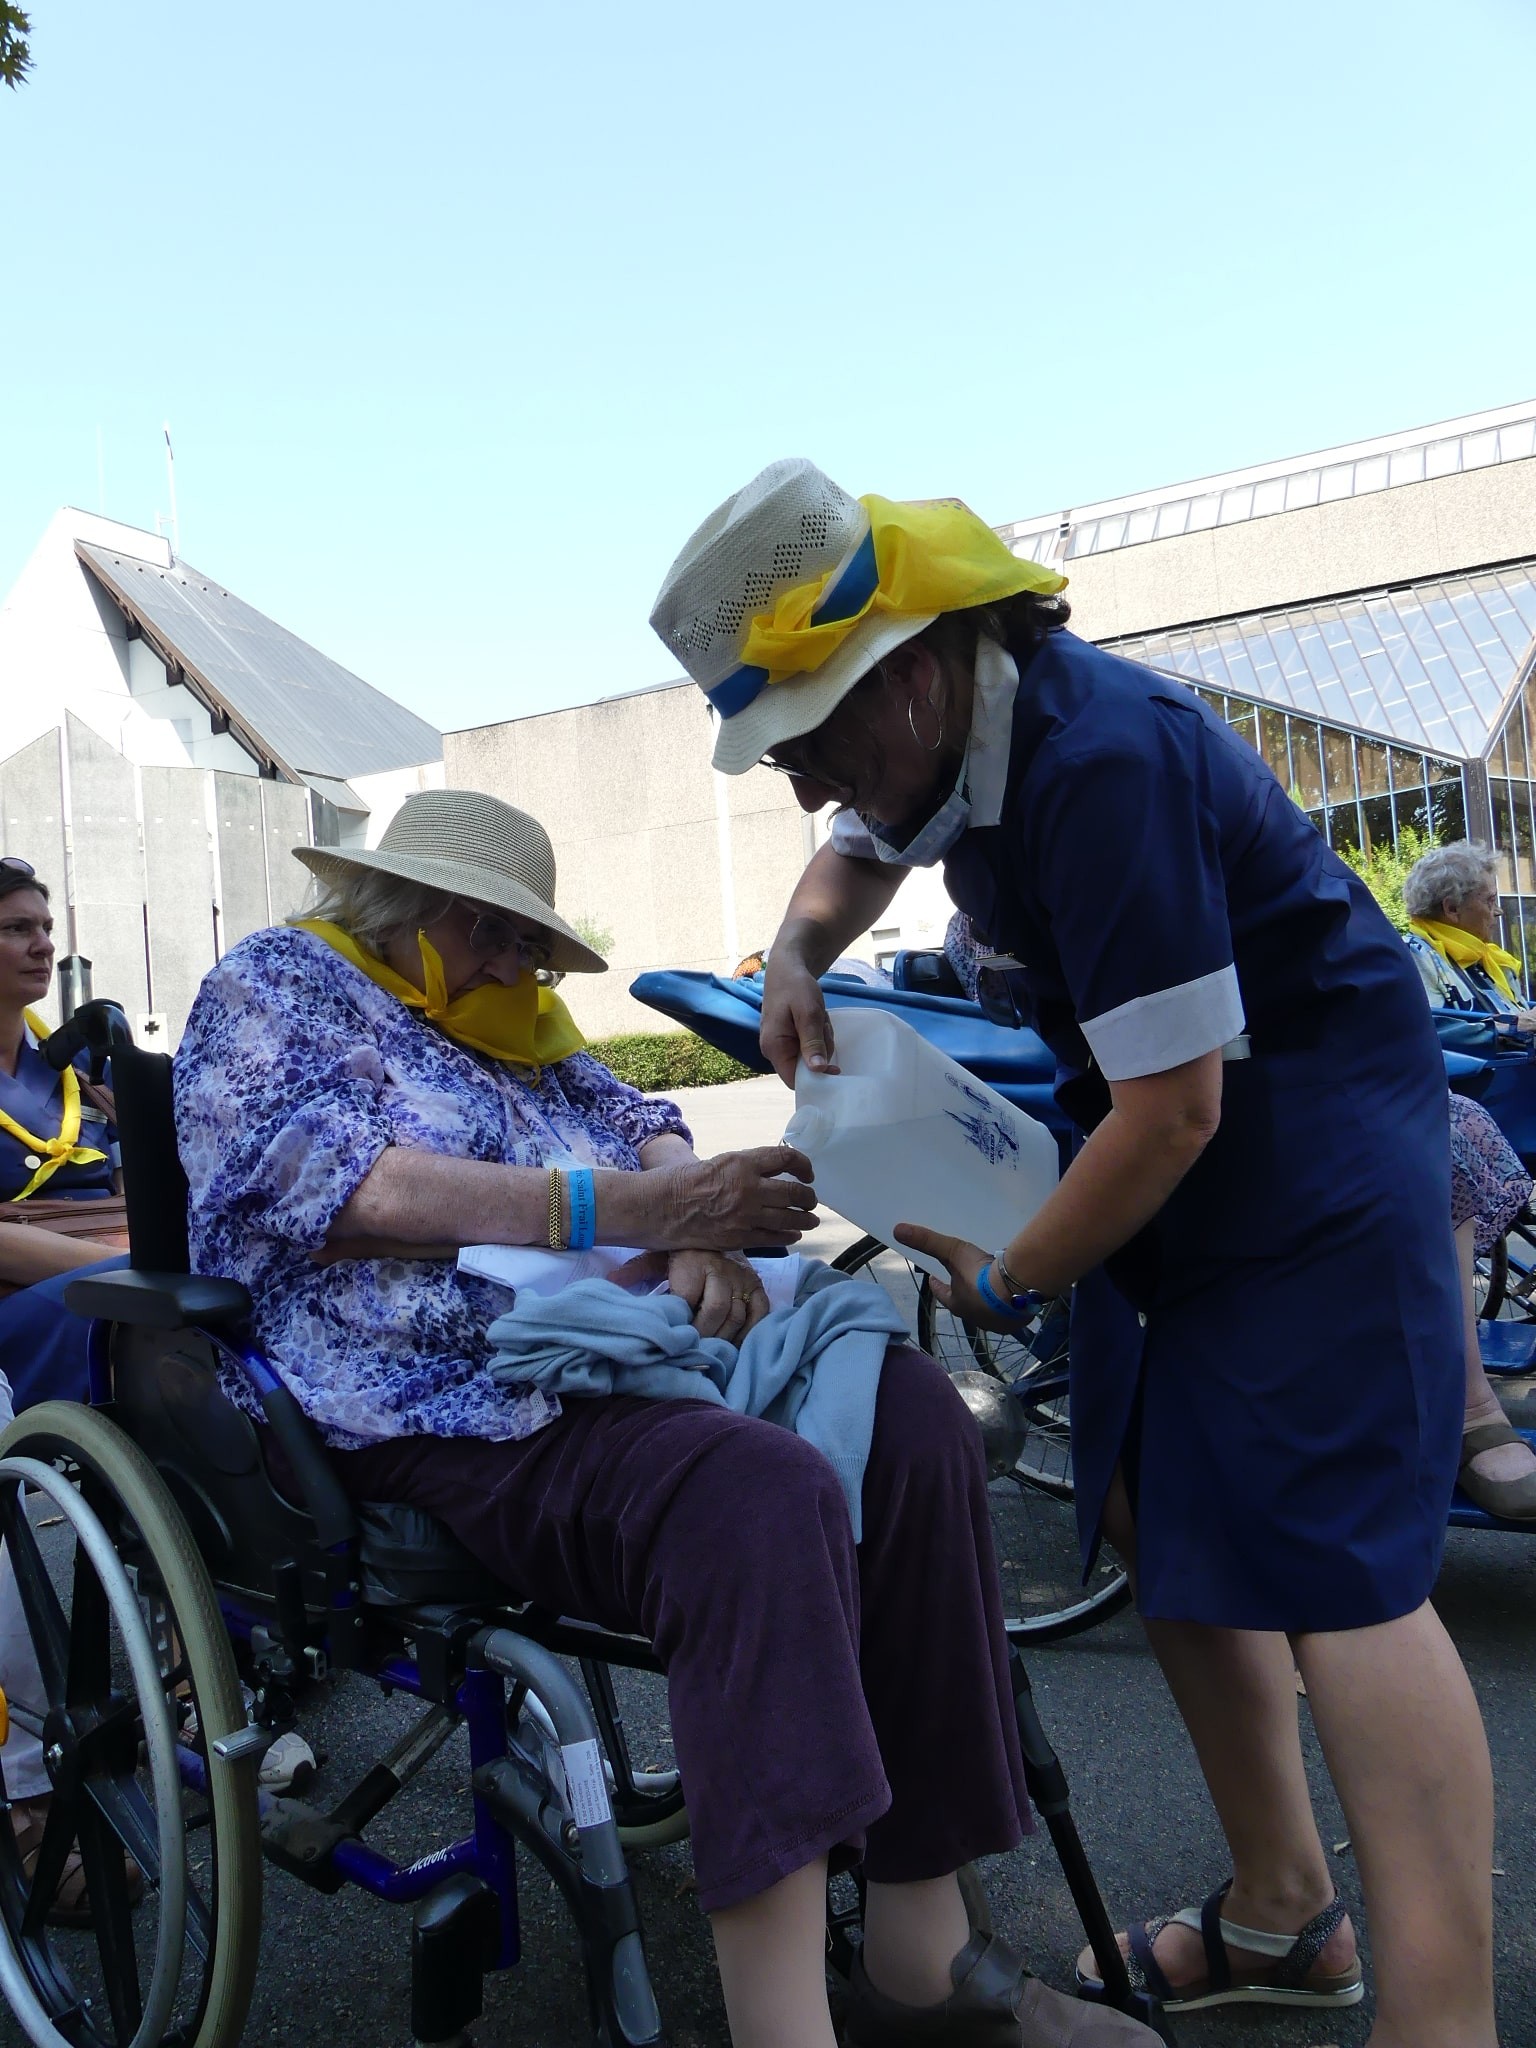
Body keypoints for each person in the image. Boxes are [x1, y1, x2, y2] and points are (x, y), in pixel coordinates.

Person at [649, 459, 1498, 2046]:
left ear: (906, 668)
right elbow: (857, 842)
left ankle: (1439, 2017)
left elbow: (1179, 1109)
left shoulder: (1101, 760)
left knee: (1343, 1571)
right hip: (1160, 1150)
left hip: (1303, 1148)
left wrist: (1019, 1273)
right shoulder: (953, 736)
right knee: (1157, 1503)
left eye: (811, 735)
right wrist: (788, 949)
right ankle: (1281, 1913)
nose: (798, 784)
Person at [173, 788, 1153, 2048]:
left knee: (912, 1418)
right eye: (489, 931)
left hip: (622, 1345)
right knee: (750, 1495)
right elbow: (345, 1184)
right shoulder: (277, 987)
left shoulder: (510, 1011)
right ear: (400, 905)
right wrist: (638, 1215)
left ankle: (924, 1953)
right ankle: (779, 2021)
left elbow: (641, 1121)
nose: (518, 961)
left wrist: (693, 1216)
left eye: (528, 941)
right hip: (431, 1393)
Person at [1404, 840, 1534, 1025]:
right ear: (1452, 909)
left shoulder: (1486, 958)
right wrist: (1517, 1026)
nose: (1498, 911)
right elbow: (1432, 1033)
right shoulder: (1413, 957)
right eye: (1490, 900)